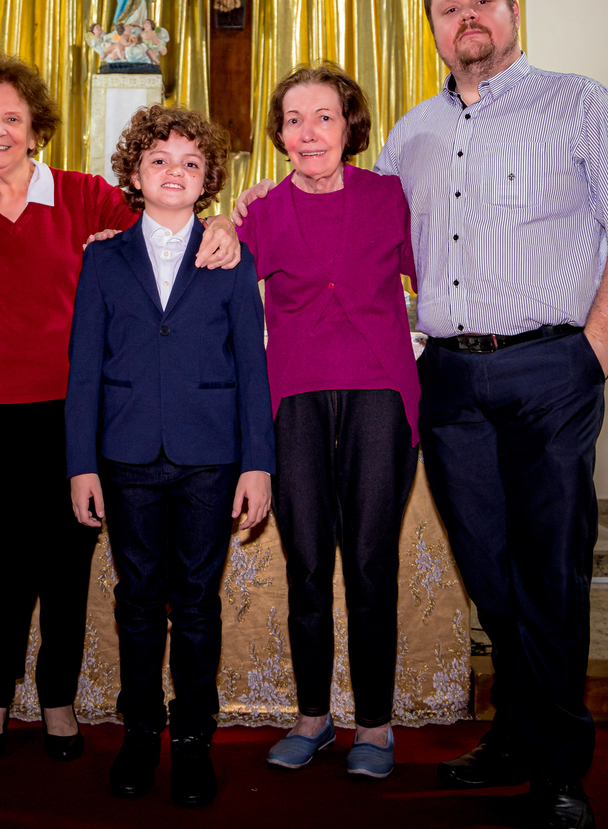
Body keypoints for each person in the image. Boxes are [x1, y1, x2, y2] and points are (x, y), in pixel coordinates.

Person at [239, 0, 608, 827]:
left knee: (548, 570)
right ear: (432, 26)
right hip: (450, 376)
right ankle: (515, 731)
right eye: (448, 7)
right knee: (487, 567)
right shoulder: (411, 134)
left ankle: (558, 766)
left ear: (513, 10)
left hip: (551, 364)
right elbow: (360, 233)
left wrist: (593, 346)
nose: (466, 16)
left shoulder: (581, 104)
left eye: (482, 1)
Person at [0, 56, 242, 764]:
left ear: (36, 127)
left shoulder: (84, 195)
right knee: (5, 558)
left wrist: (224, 226)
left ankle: (59, 697)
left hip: (76, 408)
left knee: (68, 560)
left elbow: (165, 218)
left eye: (12, 118)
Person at [67, 105, 273, 808]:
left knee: (195, 602)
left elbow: (253, 365)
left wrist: (257, 463)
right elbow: (83, 369)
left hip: (209, 456)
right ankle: (139, 730)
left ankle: (192, 739)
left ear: (208, 178)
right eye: (159, 160)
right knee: (135, 599)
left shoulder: (228, 254)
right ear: (132, 173)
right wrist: (81, 463)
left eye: (190, 162)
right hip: (125, 455)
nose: (175, 172)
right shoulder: (102, 257)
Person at [233, 63, 420, 781]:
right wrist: (224, 218)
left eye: (323, 117)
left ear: (349, 126)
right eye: (293, 120)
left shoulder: (390, 197)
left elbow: (435, 278)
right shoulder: (262, 211)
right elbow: (215, 288)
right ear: (279, 135)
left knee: (372, 563)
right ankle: (313, 717)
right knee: (307, 563)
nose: (308, 132)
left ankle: (374, 723)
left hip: (380, 393)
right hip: (295, 399)